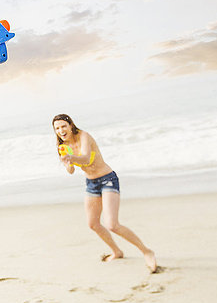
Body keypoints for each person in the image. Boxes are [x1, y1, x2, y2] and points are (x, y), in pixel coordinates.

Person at [52, 114, 158, 273]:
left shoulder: (84, 136)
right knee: (93, 224)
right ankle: (117, 251)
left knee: (112, 224)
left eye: (63, 126)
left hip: (107, 179)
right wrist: (67, 162)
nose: (61, 130)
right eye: (57, 128)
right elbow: (71, 170)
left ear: (70, 125)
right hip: (91, 183)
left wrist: (71, 157)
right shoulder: (63, 145)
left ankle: (147, 251)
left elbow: (86, 157)